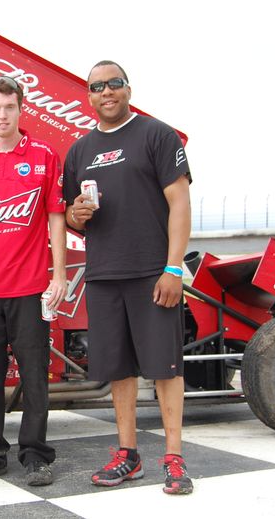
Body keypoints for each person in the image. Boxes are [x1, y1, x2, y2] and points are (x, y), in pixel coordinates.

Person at [63, 60, 193, 495]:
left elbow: (179, 203)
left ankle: (174, 458)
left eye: (114, 84)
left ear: (128, 88)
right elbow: (70, 215)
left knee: (165, 368)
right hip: (103, 276)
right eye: (97, 87)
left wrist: (174, 267)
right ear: (89, 96)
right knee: (117, 369)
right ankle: (128, 455)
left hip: (153, 274)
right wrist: (74, 215)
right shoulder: (79, 150)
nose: (106, 92)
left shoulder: (157, 135)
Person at [0, 76, 66, 487]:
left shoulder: (43, 155)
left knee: (34, 371)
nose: (2, 115)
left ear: (20, 109)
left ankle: (36, 454)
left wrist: (58, 274)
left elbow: (56, 216)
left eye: (9, 107)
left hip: (30, 287)